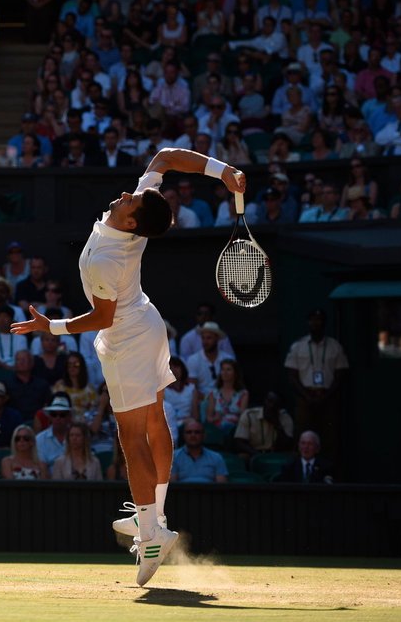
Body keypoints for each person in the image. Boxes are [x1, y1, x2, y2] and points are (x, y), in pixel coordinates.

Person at [14, 145, 244, 583]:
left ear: (133, 221)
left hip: (128, 341)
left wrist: (52, 327)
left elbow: (102, 318)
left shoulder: (106, 259)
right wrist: (223, 170)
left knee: (131, 436)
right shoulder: (133, 217)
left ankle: (152, 532)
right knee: (155, 420)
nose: (126, 193)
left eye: (132, 200)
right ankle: (153, 517)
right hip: (148, 325)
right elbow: (166, 156)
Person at [283, 309, 348, 461]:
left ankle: (328, 473)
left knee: (330, 437)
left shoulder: (335, 346)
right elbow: (292, 375)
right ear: (308, 322)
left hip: (328, 397)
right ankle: (301, 471)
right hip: (305, 397)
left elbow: (340, 375)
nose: (315, 323)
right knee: (302, 434)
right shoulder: (298, 346)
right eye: (312, 320)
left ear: (324, 323)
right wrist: (307, 396)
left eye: (319, 320)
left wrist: (326, 395)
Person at [232, 391, 295, 461]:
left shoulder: (285, 418)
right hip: (252, 452)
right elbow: (239, 442)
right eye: (269, 401)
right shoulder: (249, 415)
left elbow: (287, 445)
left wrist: (277, 425)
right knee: (242, 457)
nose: (271, 406)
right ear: (264, 401)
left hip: (275, 454)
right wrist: (259, 456)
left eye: (275, 403)